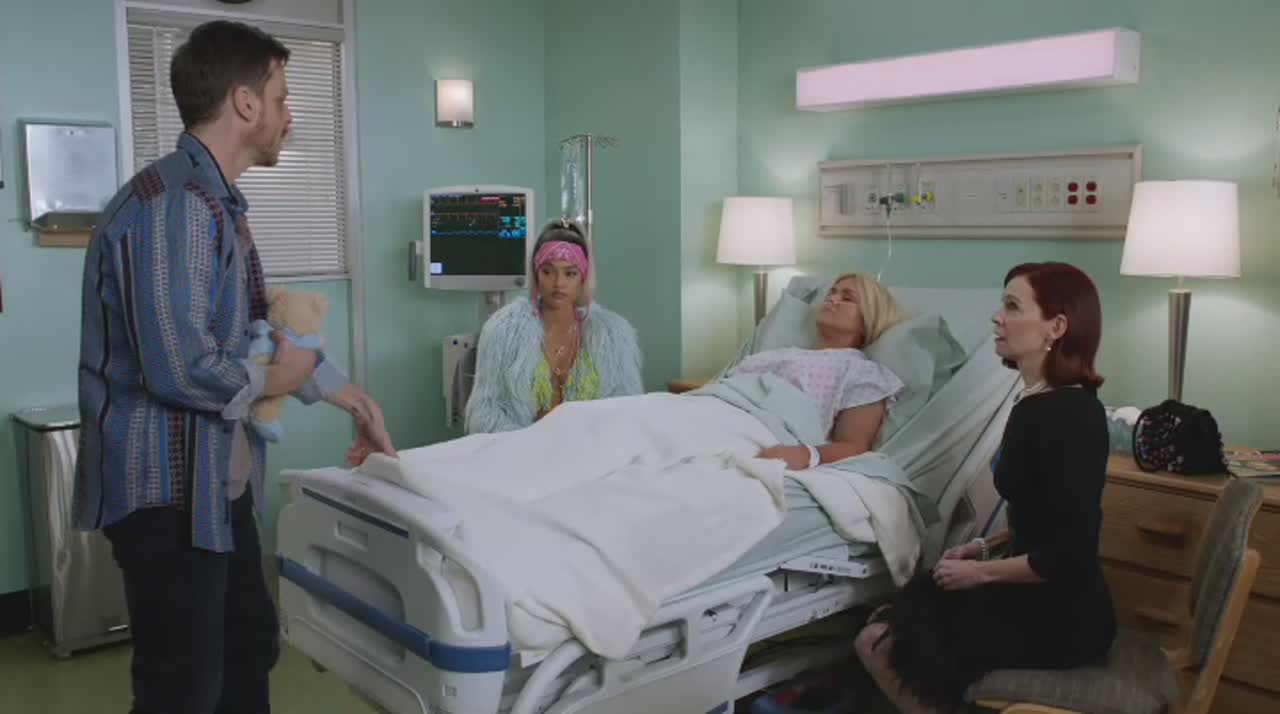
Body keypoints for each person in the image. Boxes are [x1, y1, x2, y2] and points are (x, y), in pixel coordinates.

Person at [74, 20, 395, 714]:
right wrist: (281, 380)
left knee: (248, 649)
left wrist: (345, 394)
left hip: (215, 489)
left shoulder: (216, 202)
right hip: (167, 497)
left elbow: (253, 330)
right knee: (183, 689)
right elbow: (183, 368)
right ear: (245, 103)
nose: (289, 115)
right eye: (282, 97)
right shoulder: (175, 207)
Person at [853, 262, 1115, 714]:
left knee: (880, 640)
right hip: (1037, 590)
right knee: (903, 611)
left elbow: (1069, 554)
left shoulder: (1067, 417)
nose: (997, 317)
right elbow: (1042, 519)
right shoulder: (1038, 403)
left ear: (1056, 327)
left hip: (1064, 615)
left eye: (1012, 306)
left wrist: (980, 574)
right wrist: (982, 547)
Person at [394, 272, 905, 490]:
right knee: (585, 419)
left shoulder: (861, 371)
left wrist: (803, 456)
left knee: (611, 441)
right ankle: (435, 473)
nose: (832, 298)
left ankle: (476, 487)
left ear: (870, 318)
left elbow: (854, 446)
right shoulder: (775, 353)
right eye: (832, 291)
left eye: (848, 297)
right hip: (705, 406)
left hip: (756, 426)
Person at [464, 218, 644, 433]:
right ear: (536, 274)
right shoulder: (502, 331)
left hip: (591, 446)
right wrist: (525, 445)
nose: (558, 283)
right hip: (520, 446)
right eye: (548, 272)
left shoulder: (613, 336)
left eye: (570, 273)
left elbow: (627, 409)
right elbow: (485, 410)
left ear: (583, 278)